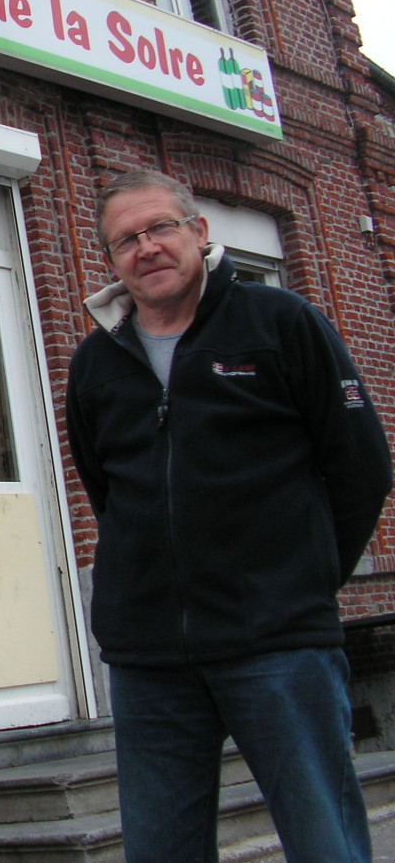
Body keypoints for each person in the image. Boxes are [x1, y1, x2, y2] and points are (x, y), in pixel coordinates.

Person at [65, 169, 392, 863]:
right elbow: (109, 492)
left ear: (198, 233)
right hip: (149, 660)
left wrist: (302, 581)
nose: (146, 248)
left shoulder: (281, 324)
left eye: (160, 228)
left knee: (324, 843)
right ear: (111, 259)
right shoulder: (95, 363)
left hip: (277, 646)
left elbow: (362, 467)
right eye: (126, 240)